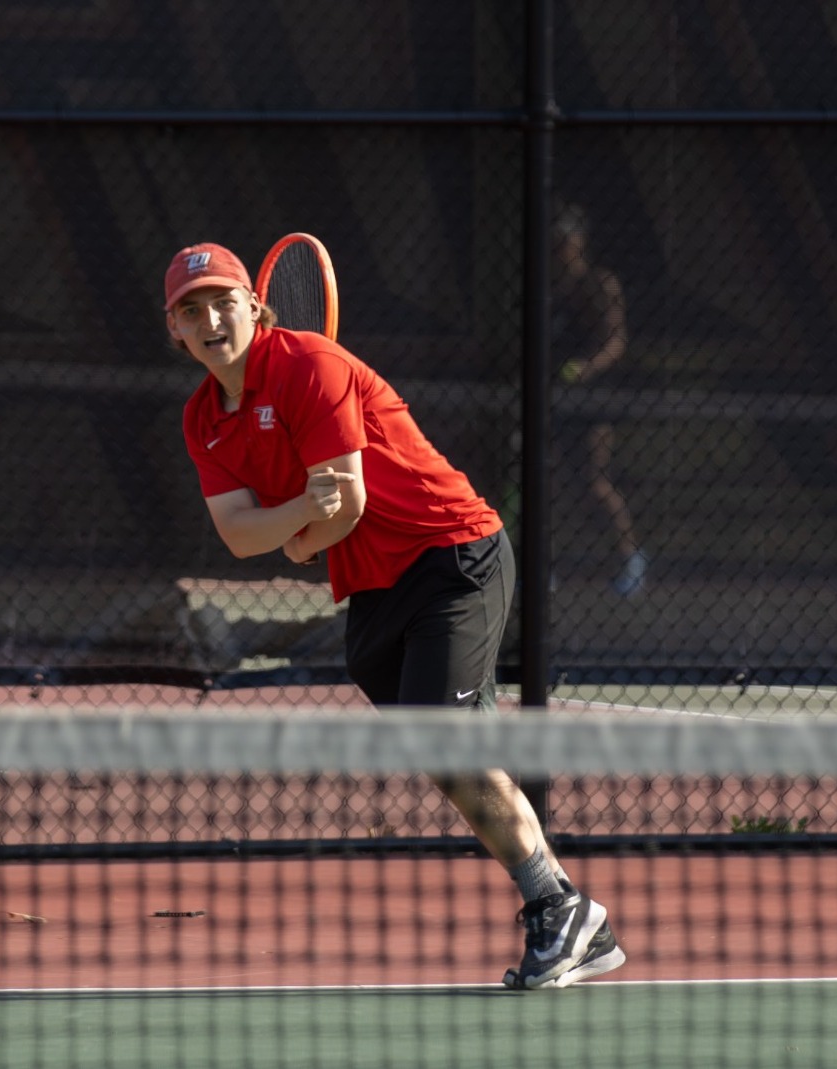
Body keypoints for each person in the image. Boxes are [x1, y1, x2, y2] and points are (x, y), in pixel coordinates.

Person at [162, 241, 626, 990]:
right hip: (375, 583)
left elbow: (344, 504)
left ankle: (558, 904)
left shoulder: (312, 364)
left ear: (253, 304)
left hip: (453, 552)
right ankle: (574, 914)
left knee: (441, 735)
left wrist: (295, 535)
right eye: (191, 310)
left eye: (222, 300)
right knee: (443, 746)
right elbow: (238, 534)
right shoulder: (204, 420)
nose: (210, 318)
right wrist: (295, 527)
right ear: (175, 329)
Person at [551, 203, 648, 596]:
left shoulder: (598, 284)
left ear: (579, 242)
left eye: (565, 241)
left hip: (592, 399)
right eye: (554, 241)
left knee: (592, 479)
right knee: (545, 481)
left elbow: (615, 340)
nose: (559, 249)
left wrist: (584, 368)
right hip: (550, 397)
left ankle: (631, 560)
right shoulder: (544, 286)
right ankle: (542, 567)